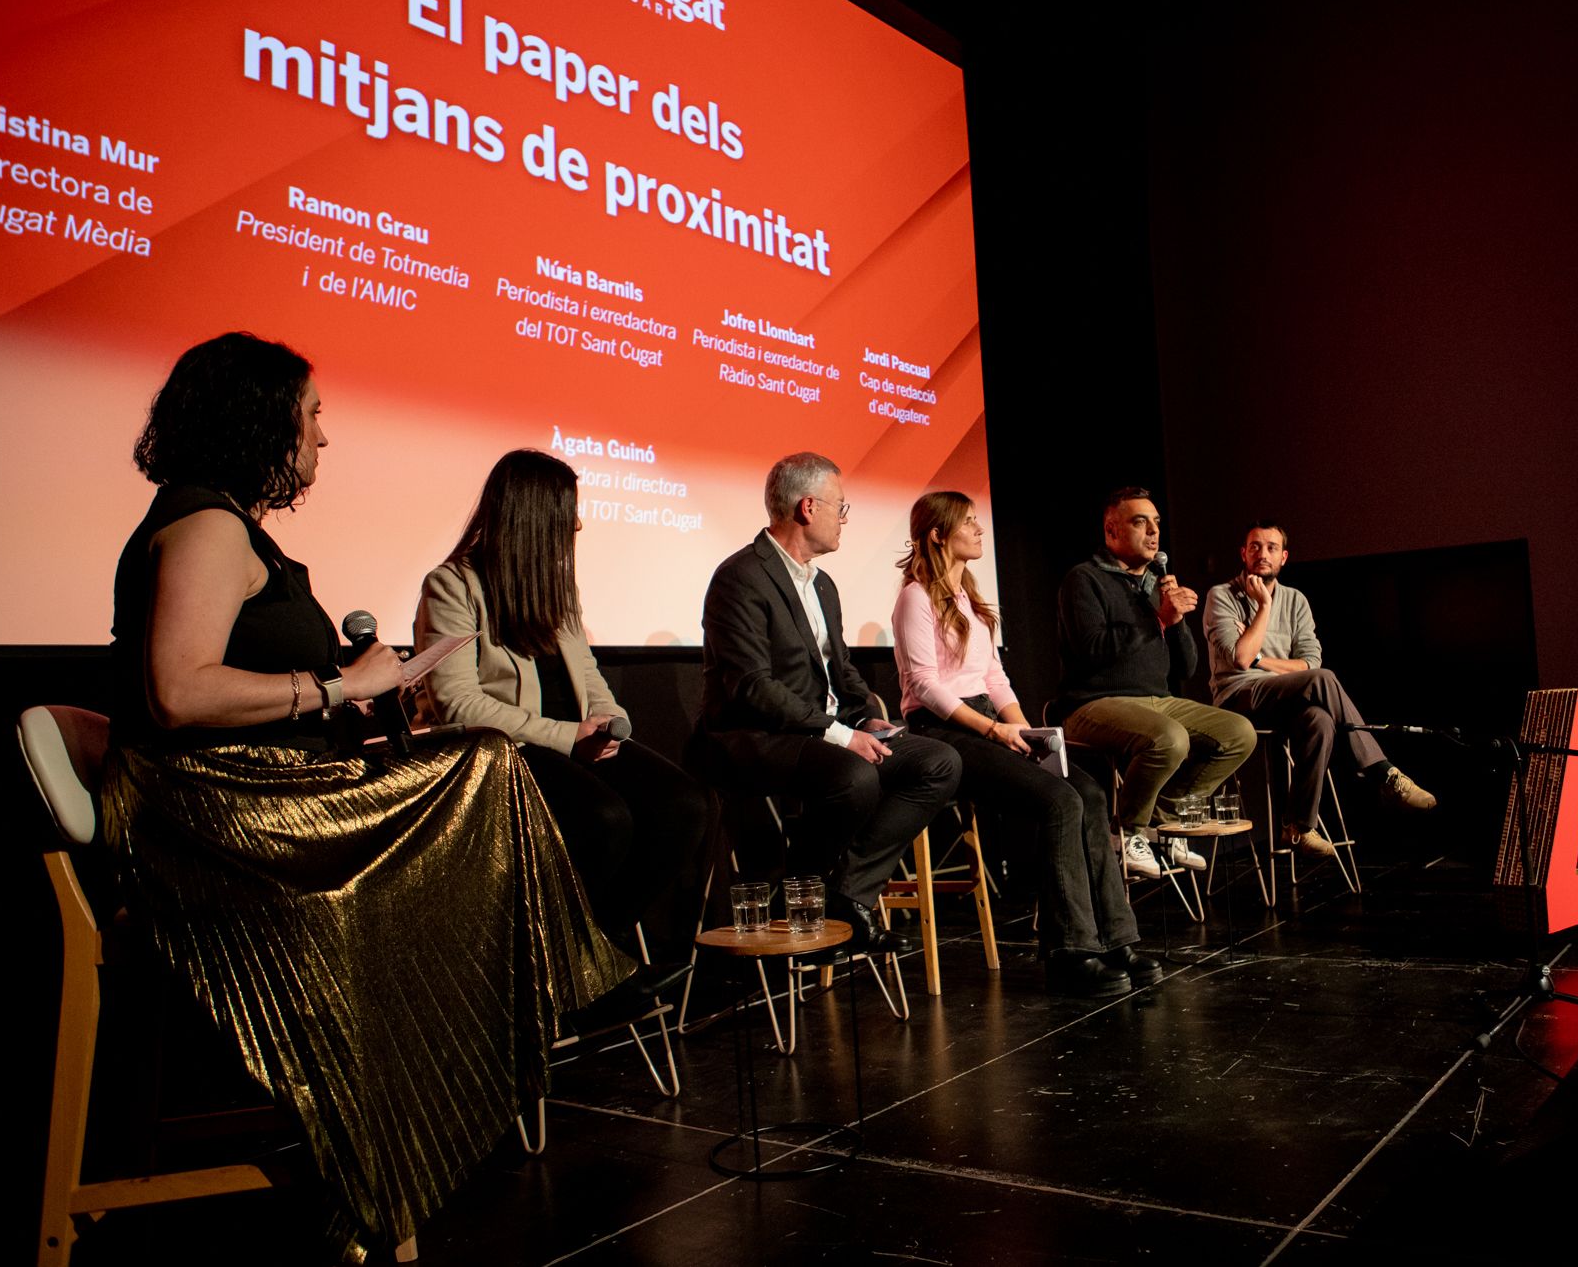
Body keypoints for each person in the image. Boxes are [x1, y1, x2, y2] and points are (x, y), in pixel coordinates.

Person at [100, 333, 629, 1256]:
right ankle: (490, 1049)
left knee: (482, 768)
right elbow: (178, 690)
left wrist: (352, 689)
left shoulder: (220, 521)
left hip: (255, 793)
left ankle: (471, 1064)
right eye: (313, 416)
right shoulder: (207, 524)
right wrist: (339, 688)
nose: (323, 438)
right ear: (261, 419)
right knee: (485, 764)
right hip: (221, 815)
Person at [414, 449, 710, 974]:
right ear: (535, 517)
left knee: (685, 804)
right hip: (504, 755)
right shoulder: (453, 586)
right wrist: (568, 734)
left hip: (572, 742)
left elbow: (588, 672)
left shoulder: (555, 586)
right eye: (568, 510)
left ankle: (596, 947)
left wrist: (610, 721)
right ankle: (578, 965)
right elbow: (455, 701)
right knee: (605, 819)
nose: (578, 523)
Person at [690, 452, 961, 953]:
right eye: (842, 506)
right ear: (808, 507)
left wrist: (869, 718)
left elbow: (841, 670)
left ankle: (844, 894)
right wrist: (839, 734)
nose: (845, 518)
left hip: (824, 730)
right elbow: (752, 686)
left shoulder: (823, 584)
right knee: (853, 776)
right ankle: (800, 894)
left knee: (937, 761)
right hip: (754, 736)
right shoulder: (741, 578)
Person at [892, 491, 1160, 996]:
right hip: (944, 729)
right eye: (967, 522)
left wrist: (1028, 734)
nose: (978, 529)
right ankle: (1068, 951)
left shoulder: (970, 598)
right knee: (1059, 801)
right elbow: (926, 685)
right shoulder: (916, 596)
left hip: (991, 721)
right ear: (937, 534)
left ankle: (1114, 939)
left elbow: (996, 678)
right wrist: (993, 731)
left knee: (1092, 793)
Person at [1051, 486, 1256, 878]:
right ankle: (1126, 832)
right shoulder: (1084, 579)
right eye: (1139, 522)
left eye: (1156, 523)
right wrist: (1158, 619)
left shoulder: (1156, 583)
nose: (1153, 531)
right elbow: (1092, 649)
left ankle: (1164, 823)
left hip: (1157, 700)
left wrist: (1175, 621)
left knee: (1238, 732)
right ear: (1112, 530)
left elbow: (1187, 667)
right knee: (1169, 738)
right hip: (1091, 704)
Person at [1204, 520, 1435, 855]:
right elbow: (1240, 659)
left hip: (1284, 696)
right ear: (1243, 553)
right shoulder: (1221, 596)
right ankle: (1382, 773)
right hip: (1238, 699)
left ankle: (1297, 828)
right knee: (1324, 679)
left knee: (1320, 720)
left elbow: (1309, 661)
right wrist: (1264, 608)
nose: (1262, 553)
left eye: (1271, 547)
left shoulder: (1296, 600)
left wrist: (1261, 660)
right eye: (1254, 546)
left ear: (1284, 557)